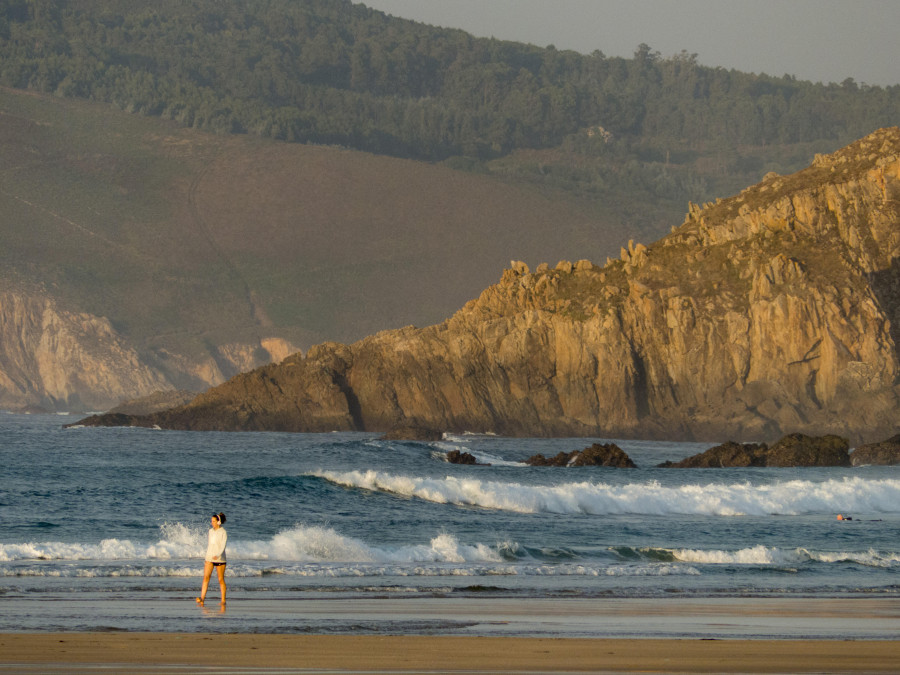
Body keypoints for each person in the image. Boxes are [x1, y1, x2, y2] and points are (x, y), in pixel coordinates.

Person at [196, 512, 227, 606]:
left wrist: (217, 555)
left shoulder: (223, 532)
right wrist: (207, 556)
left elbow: (223, 546)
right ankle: (202, 598)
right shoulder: (210, 531)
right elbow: (210, 545)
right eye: (211, 521)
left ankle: (223, 600)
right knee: (206, 577)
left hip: (220, 559)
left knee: (220, 579)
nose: (212, 523)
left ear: (218, 522)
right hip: (209, 558)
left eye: (213, 521)